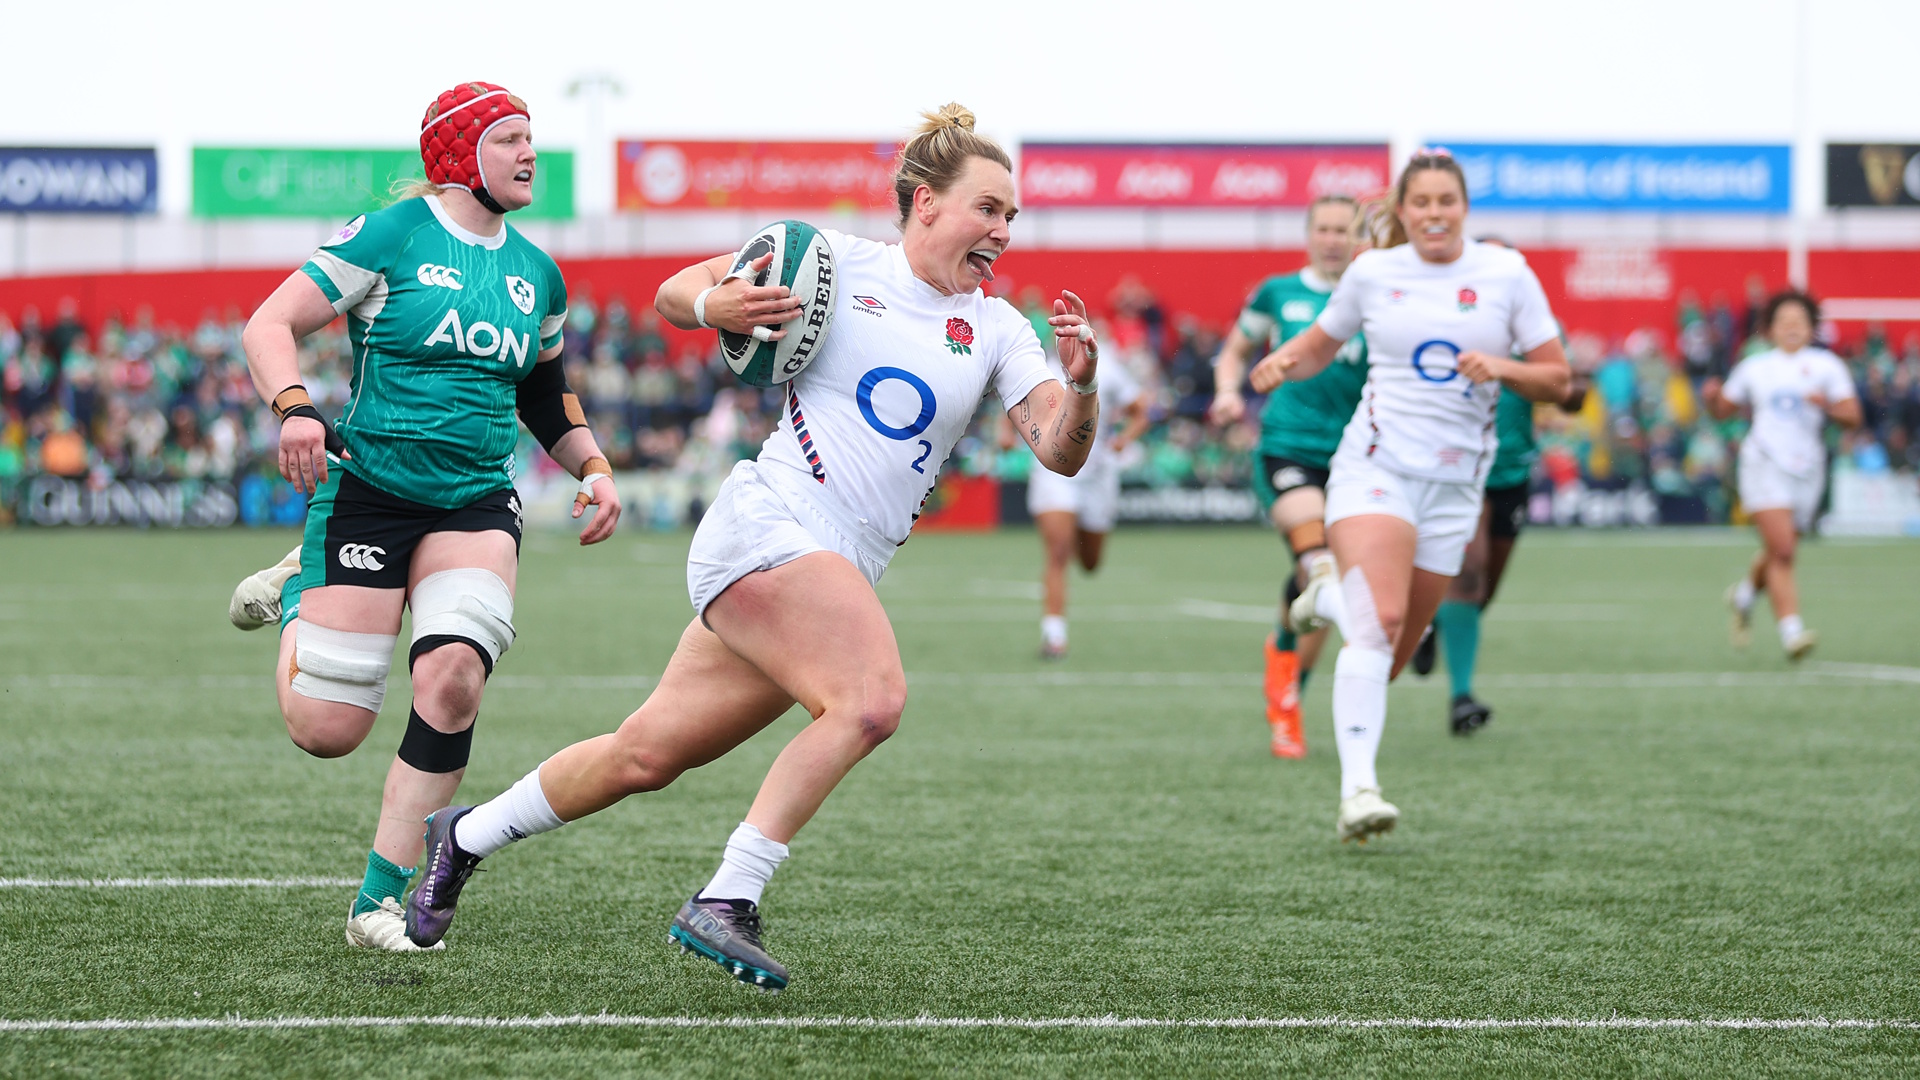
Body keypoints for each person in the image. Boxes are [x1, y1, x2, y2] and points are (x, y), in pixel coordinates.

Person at [401, 104, 1102, 991]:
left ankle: (461, 836)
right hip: (771, 523)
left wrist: (1080, 388)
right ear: (925, 203)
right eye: (989, 209)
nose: (1004, 231)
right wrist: (714, 302)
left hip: (837, 563)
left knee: (644, 754)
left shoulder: (1000, 327)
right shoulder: (833, 263)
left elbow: (1060, 450)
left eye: (1012, 215)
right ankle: (729, 896)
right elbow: (673, 294)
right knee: (871, 699)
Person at [224, 82, 622, 950]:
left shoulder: (538, 272)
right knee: (327, 729)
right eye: (511, 138)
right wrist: (296, 407)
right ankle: (302, 584)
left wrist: (593, 465)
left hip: (477, 500)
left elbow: (544, 392)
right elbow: (269, 324)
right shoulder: (393, 235)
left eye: (533, 138)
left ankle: (379, 902)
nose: (530, 155)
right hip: (370, 492)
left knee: (452, 680)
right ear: (459, 154)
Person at [1249, 150, 1569, 842]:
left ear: (1464, 208)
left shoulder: (1506, 274)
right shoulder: (1373, 272)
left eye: (1444, 201)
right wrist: (1281, 363)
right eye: (1419, 202)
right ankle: (1359, 791)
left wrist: (1503, 367)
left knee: (1390, 654)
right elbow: (1319, 342)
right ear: (1401, 210)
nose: (1432, 213)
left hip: (1457, 488)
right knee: (1379, 620)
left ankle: (1322, 597)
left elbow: (1557, 380)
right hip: (1376, 467)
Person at [1210, 195, 1367, 758]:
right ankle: (1287, 704)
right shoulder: (1278, 292)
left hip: (1355, 459)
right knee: (1318, 562)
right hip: (1287, 450)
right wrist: (1228, 393)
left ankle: (1287, 683)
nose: (1331, 238)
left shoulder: (1373, 296)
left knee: (1326, 586)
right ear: (1308, 234)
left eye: (1341, 230)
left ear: (1358, 238)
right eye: (1322, 228)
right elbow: (1234, 351)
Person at [1703, 291, 1860, 660]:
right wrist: (1712, 398)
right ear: (1770, 329)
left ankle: (1743, 596)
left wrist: (1829, 407)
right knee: (1785, 551)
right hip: (1763, 463)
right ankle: (1792, 632)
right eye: (1784, 321)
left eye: (1799, 321)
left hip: (1808, 468)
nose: (1791, 327)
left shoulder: (1826, 366)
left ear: (1811, 328)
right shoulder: (1754, 367)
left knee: (1780, 547)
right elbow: (1724, 409)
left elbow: (1852, 416)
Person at [1025, 339, 1148, 659]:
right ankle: (1054, 635)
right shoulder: (1041, 364)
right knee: (1058, 550)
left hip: (1097, 474)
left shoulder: (1107, 365)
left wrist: (1125, 439)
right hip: (1052, 469)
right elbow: (1014, 402)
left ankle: (1080, 524)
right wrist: (1008, 432)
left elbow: (1141, 410)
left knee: (1090, 562)